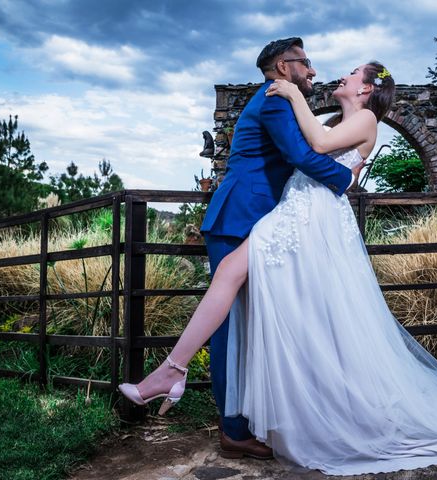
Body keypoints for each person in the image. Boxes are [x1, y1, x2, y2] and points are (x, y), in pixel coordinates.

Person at [120, 56, 437, 474]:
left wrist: (293, 95)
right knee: (282, 305)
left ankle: (172, 371)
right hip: (297, 212)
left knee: (234, 275)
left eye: (354, 73)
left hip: (308, 217)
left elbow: (316, 146)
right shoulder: (343, 120)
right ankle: (188, 376)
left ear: (366, 89)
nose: (343, 74)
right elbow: (304, 152)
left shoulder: (367, 122)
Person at [119, 37, 364, 460]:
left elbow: (312, 146)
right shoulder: (274, 101)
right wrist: (346, 180)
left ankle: (248, 418)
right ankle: (232, 429)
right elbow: (302, 155)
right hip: (240, 218)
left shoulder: (283, 102)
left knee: (255, 325)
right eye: (305, 63)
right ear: (283, 67)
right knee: (230, 328)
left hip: (260, 220)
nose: (312, 71)